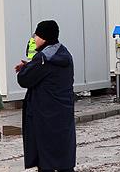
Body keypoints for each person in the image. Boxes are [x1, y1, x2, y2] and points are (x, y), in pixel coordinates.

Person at [16, 20, 76, 172]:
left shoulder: (44, 58)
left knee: (46, 159)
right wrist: (30, 65)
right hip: (63, 113)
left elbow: (24, 79)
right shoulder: (63, 53)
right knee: (63, 157)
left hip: (45, 115)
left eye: (36, 35)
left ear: (44, 37)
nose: (34, 39)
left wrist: (26, 68)